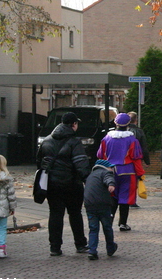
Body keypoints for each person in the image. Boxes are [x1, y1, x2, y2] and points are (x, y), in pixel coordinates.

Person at [36, 111, 91, 256]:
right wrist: (88, 181)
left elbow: (39, 162)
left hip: (52, 185)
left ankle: (55, 247)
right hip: (72, 185)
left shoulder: (47, 140)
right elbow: (81, 164)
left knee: (55, 214)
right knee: (75, 214)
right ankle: (80, 244)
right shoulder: (74, 142)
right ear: (74, 124)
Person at [97, 113, 144, 232]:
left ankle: (109, 222)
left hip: (110, 171)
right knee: (125, 198)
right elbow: (136, 158)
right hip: (127, 172)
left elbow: (100, 156)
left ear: (115, 123)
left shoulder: (106, 139)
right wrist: (140, 173)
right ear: (128, 124)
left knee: (112, 197)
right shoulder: (132, 140)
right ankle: (123, 223)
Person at [84, 159, 118, 260]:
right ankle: (110, 248)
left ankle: (92, 251)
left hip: (89, 205)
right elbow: (108, 178)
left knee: (93, 228)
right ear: (106, 167)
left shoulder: (90, 176)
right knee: (107, 227)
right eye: (111, 167)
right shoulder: (106, 172)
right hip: (103, 204)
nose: (112, 169)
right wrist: (111, 184)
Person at [127, 111, 149, 208]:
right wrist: (147, 161)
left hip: (123, 160)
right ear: (136, 120)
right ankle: (132, 201)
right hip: (136, 160)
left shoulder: (122, 131)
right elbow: (144, 147)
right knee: (134, 180)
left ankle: (122, 200)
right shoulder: (139, 131)